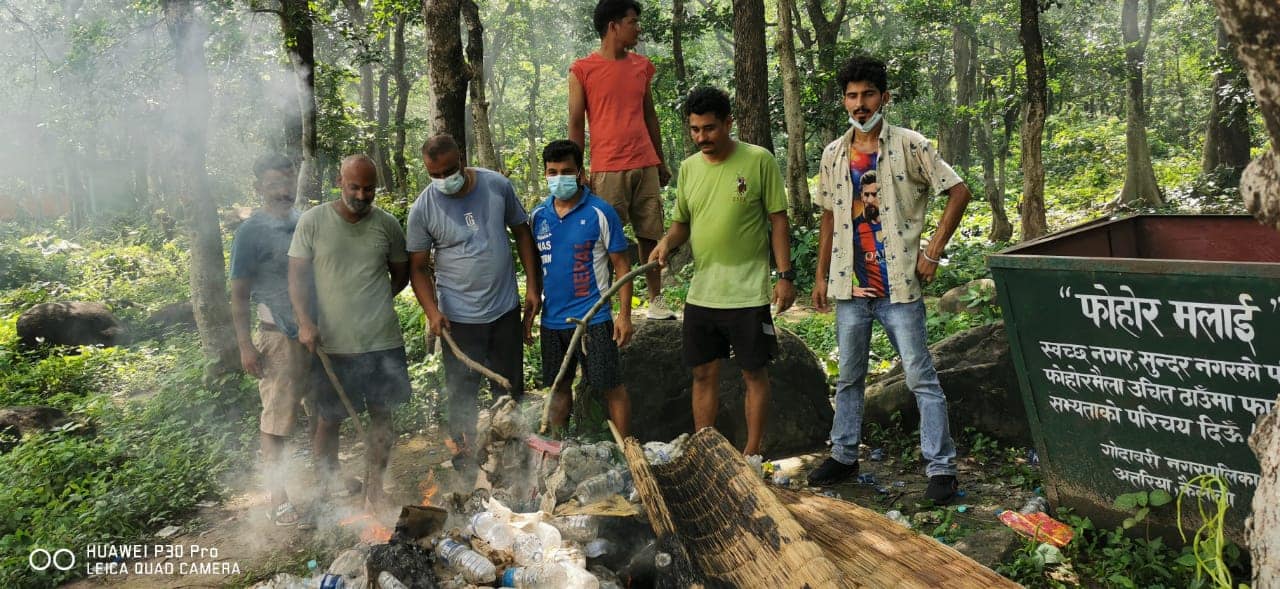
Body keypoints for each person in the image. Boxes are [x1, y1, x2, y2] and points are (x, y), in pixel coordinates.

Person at [807, 55, 972, 504]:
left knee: (920, 377)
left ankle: (942, 469)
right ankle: (844, 455)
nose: (859, 105)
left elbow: (958, 190)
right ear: (844, 100)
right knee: (849, 378)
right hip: (850, 286)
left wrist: (933, 251)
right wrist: (820, 275)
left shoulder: (910, 145)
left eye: (868, 95)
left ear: (884, 97)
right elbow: (828, 215)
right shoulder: (834, 154)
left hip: (898, 286)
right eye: (852, 96)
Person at [649, 87, 795, 457]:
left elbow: (778, 221)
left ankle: (752, 453)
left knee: (753, 373)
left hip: (747, 293)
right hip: (702, 292)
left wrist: (784, 275)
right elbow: (682, 223)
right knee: (702, 372)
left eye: (710, 129)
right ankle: (706, 450)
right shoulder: (689, 169)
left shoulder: (759, 160)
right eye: (695, 130)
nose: (702, 138)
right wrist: (667, 242)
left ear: (729, 123)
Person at [406, 135, 540, 470]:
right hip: (459, 321)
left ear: (462, 159)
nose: (443, 180)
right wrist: (433, 312)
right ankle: (466, 465)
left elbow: (522, 233)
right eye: (434, 175)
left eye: (449, 171)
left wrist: (533, 288)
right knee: (462, 397)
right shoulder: (423, 207)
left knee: (509, 391)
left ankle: (511, 459)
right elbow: (418, 268)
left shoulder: (496, 186)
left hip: (504, 311)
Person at [287, 154, 412, 511]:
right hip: (333, 344)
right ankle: (328, 488)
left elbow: (401, 274)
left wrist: (375, 300)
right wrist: (305, 323)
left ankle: (375, 489)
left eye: (368, 188)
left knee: (382, 416)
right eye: (354, 186)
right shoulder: (312, 222)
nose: (361, 194)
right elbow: (295, 277)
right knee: (328, 419)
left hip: (381, 341)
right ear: (340, 182)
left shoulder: (386, 225)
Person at [569, 0, 674, 321]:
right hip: (607, 167)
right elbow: (575, 123)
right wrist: (577, 170)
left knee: (650, 234)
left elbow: (650, 116)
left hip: (645, 163)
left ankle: (656, 299)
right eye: (633, 21)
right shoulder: (582, 70)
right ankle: (604, 304)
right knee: (603, 240)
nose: (638, 28)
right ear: (614, 25)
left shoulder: (641, 66)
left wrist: (660, 160)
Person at [529, 140, 634, 438]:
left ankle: (628, 453)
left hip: (594, 320)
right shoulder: (538, 216)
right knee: (559, 386)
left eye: (566, 171)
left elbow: (622, 267)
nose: (558, 178)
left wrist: (624, 316)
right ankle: (561, 451)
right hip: (552, 321)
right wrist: (531, 304)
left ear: (581, 173)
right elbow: (535, 266)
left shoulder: (601, 212)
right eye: (552, 172)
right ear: (546, 174)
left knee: (610, 386)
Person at [229, 154, 310, 526]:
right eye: (275, 183)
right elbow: (239, 294)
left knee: (322, 412)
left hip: (313, 333)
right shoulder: (251, 232)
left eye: (288, 181)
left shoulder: (303, 221)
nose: (284, 189)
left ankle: (330, 480)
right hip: (276, 336)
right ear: (259, 187)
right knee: (278, 420)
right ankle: (278, 499)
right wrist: (246, 345)